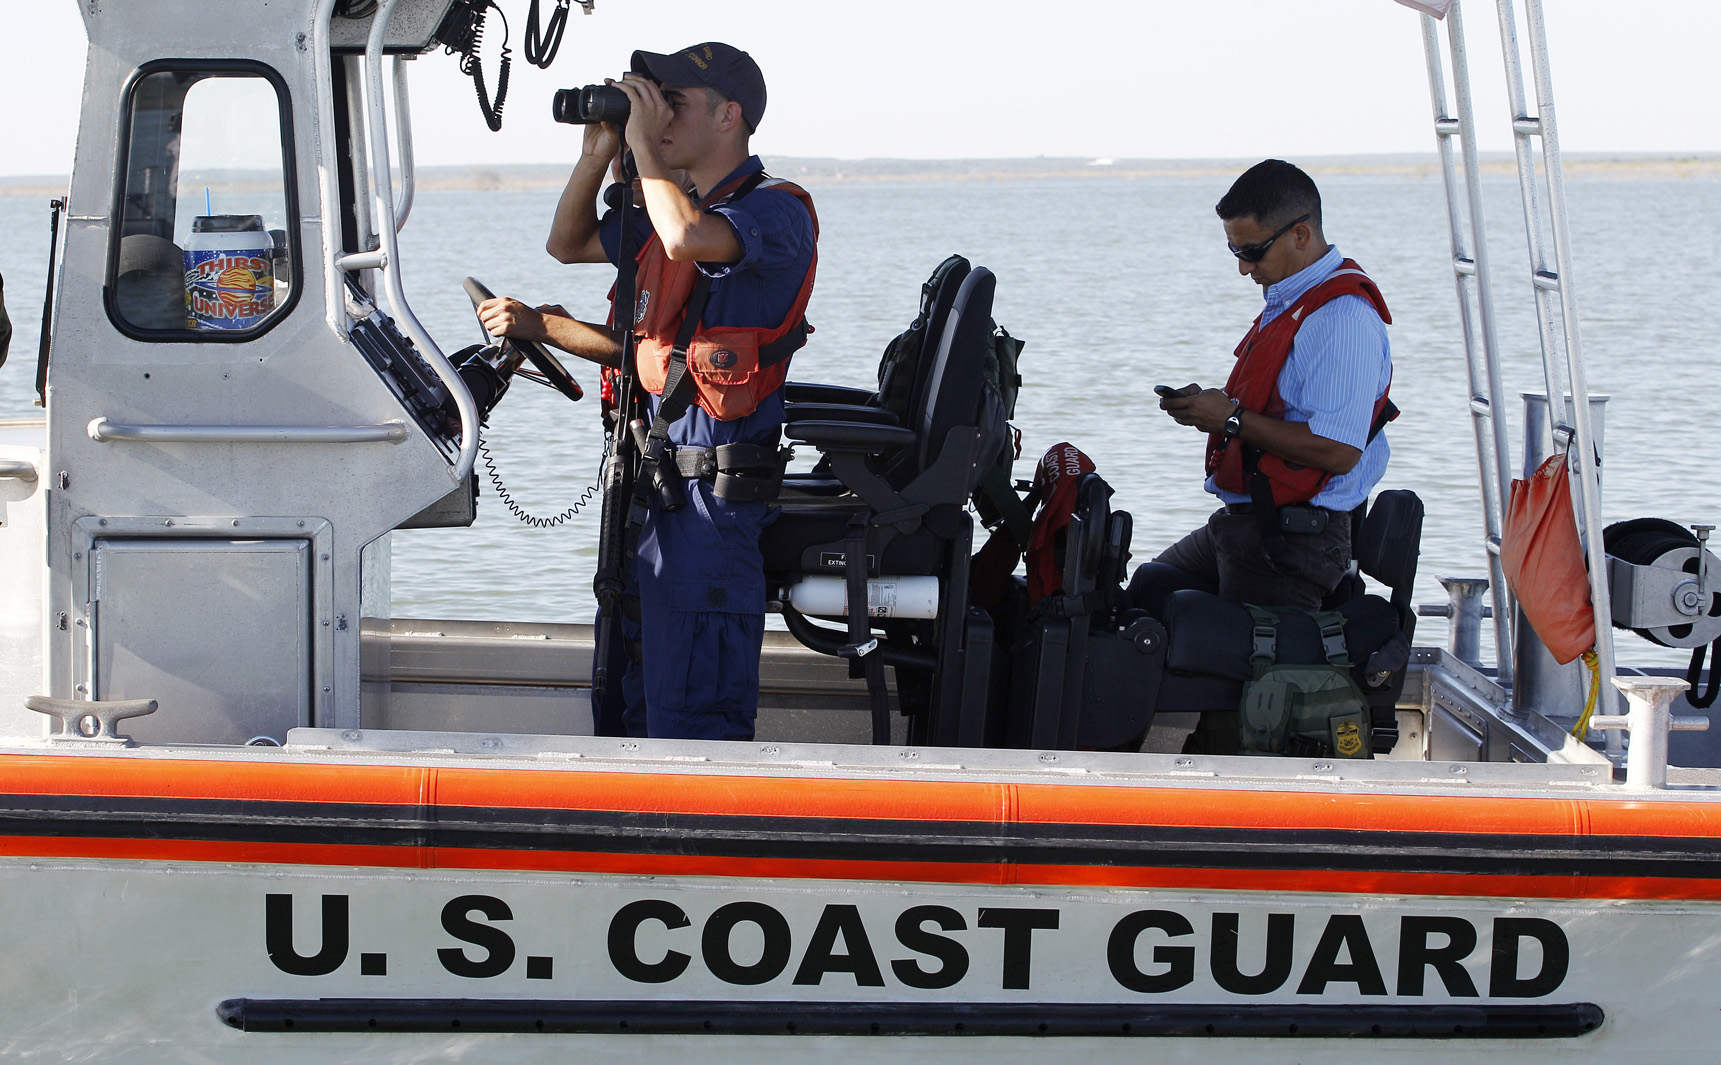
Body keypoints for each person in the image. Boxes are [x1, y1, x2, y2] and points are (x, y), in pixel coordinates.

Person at [478, 43, 817, 742]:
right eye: (649, 98)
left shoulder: (775, 212)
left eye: (674, 102)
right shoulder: (670, 204)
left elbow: (687, 237)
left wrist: (641, 141)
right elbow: (565, 244)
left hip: (709, 507)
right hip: (649, 488)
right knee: (630, 700)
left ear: (730, 116)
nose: (656, 114)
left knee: (691, 714)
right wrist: (598, 152)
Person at [1140, 159, 1394, 613]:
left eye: (1253, 252)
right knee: (1150, 590)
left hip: (1297, 542)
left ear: (1300, 235)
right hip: (1250, 523)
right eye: (1235, 253)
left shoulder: (1343, 320)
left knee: (1202, 654)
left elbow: (1338, 451)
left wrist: (1231, 419)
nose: (1243, 269)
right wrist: (1210, 410)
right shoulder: (1293, 301)